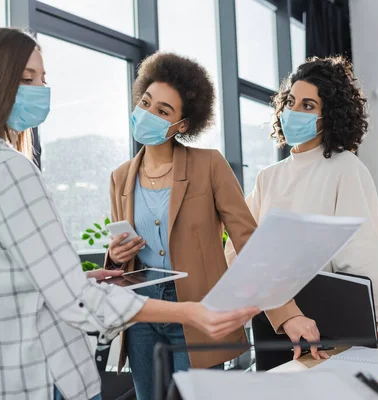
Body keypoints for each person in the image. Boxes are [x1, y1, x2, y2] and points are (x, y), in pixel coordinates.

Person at [0, 28, 258, 400]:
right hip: (62, 358)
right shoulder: (25, 170)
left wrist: (275, 308)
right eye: (29, 79)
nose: (41, 89)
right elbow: (69, 296)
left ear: (183, 124)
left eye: (43, 79)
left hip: (12, 368)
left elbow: (25, 280)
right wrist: (181, 306)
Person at [104, 52, 297, 400]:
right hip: (142, 312)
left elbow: (248, 241)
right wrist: (115, 257)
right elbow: (122, 259)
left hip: (196, 310)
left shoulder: (209, 166)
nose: (148, 114)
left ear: (182, 125)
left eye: (162, 111)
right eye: (146, 103)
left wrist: (287, 316)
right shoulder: (120, 178)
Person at [226, 56, 378, 356]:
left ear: (330, 116)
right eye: (291, 102)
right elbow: (237, 248)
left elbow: (360, 252)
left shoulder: (344, 167)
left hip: (326, 322)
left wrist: (375, 328)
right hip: (273, 317)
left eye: (308, 106)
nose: (294, 112)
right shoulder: (268, 177)